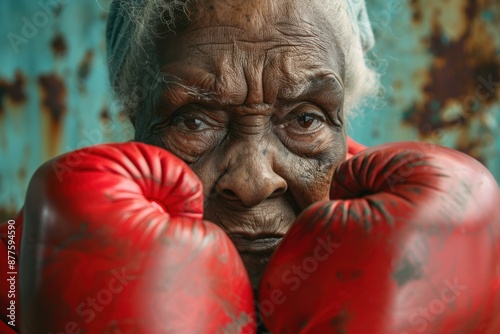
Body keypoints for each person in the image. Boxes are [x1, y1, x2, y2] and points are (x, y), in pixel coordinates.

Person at [1, 0, 500, 333]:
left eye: (306, 119)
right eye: (194, 120)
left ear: (344, 113)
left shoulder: (452, 249)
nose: (254, 181)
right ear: (136, 115)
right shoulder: (18, 260)